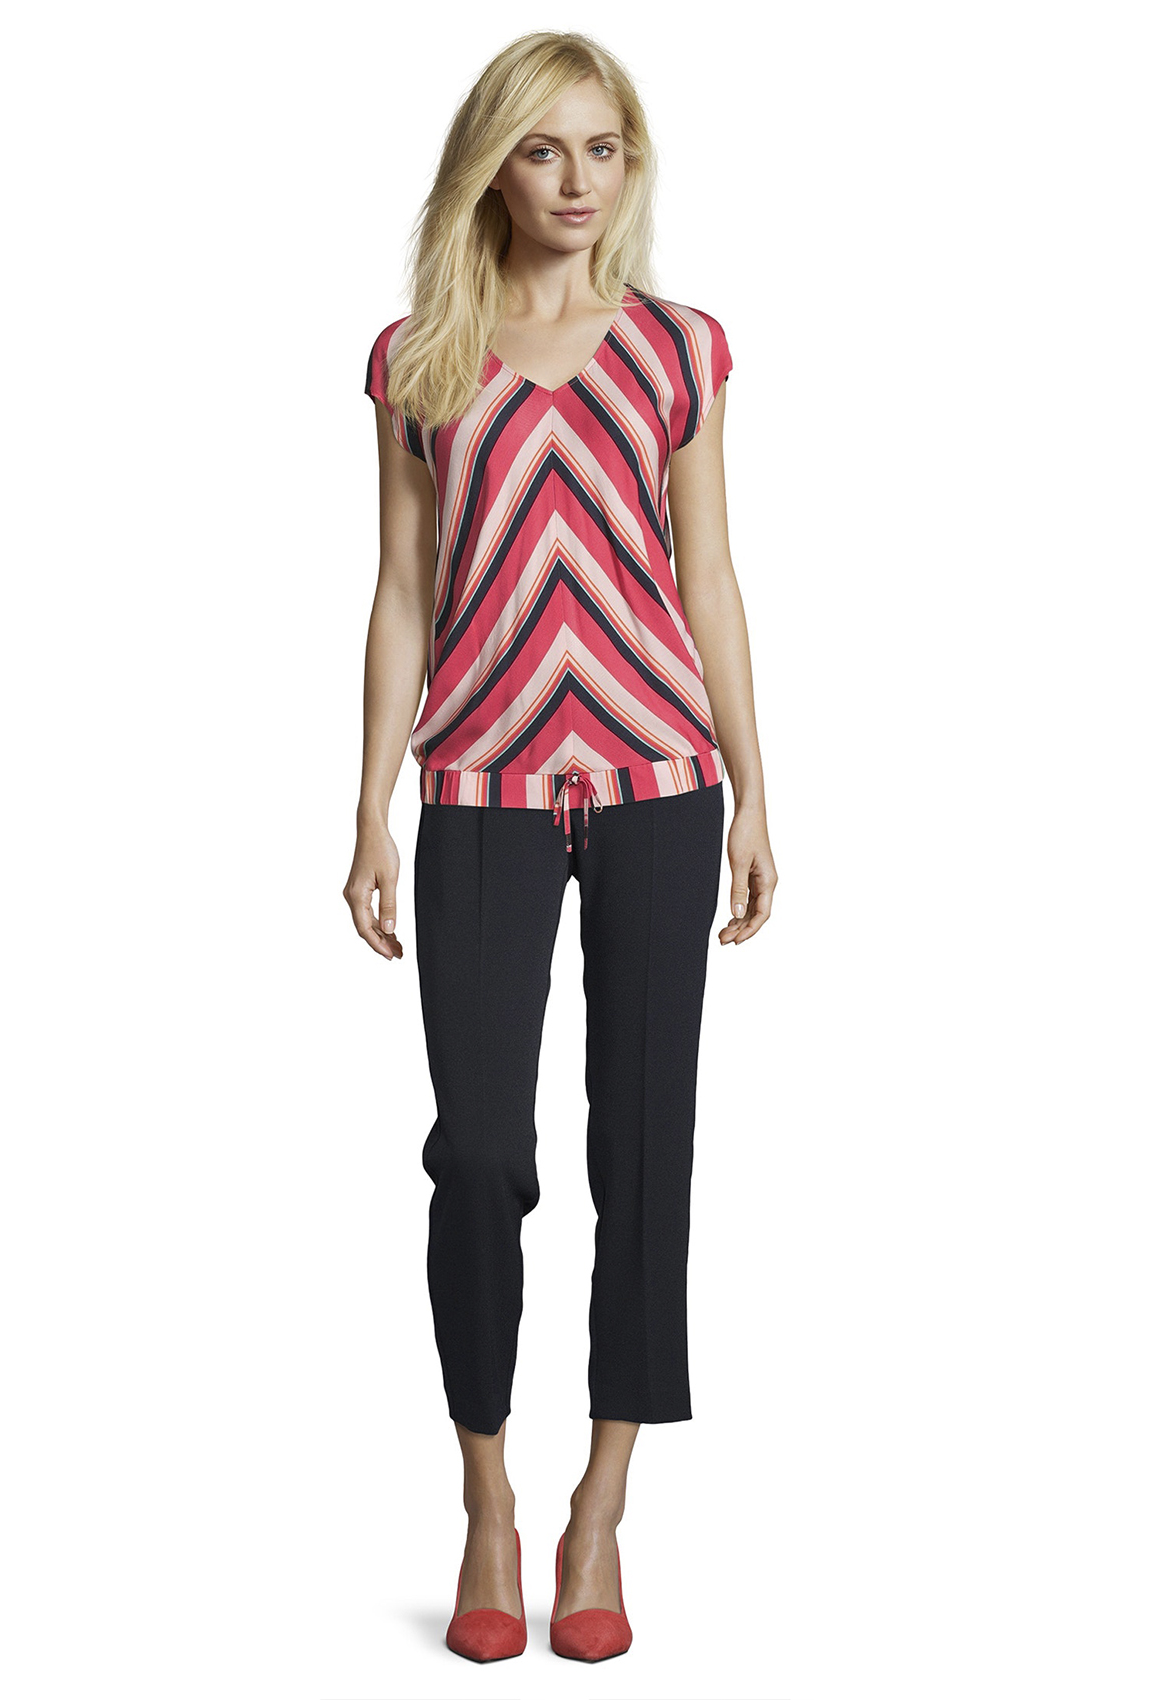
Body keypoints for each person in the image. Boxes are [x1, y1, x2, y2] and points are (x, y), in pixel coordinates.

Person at [346, 29, 777, 1664]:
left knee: (644, 1151)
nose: (578, 180)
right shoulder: (421, 361)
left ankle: (601, 1509)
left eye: (603, 148)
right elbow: (401, 593)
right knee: (479, 1155)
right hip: (479, 790)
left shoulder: (678, 350)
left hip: (663, 783)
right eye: (543, 150)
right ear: (494, 168)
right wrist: (367, 807)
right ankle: (488, 1502)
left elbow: (709, 576)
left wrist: (756, 791)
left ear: (631, 164)